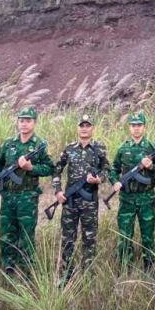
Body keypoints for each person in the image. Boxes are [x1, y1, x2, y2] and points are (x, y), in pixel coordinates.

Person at [0, 106, 53, 276]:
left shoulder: (40, 145)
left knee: (26, 234)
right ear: (17, 122)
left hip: (27, 197)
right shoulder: (9, 143)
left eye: (28, 121)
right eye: (21, 120)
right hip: (8, 196)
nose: (24, 124)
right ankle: (9, 266)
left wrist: (31, 168)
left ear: (35, 123)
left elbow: (49, 168)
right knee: (7, 233)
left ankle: (26, 269)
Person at [52, 113, 109, 283]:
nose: (84, 129)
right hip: (70, 201)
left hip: (89, 201)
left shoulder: (99, 148)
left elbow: (107, 169)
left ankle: (88, 276)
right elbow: (57, 169)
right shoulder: (69, 148)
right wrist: (57, 190)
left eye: (87, 125)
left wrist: (99, 179)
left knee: (89, 238)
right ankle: (65, 275)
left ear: (92, 128)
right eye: (81, 126)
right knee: (68, 238)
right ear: (78, 128)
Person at [110, 111, 155, 270]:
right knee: (125, 236)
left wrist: (151, 166)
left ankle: (149, 268)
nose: (136, 129)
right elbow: (113, 169)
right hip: (126, 200)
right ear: (129, 127)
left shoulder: (151, 147)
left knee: (148, 236)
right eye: (133, 125)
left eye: (139, 125)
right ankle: (125, 268)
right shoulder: (123, 148)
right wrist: (115, 182)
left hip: (147, 199)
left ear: (144, 127)